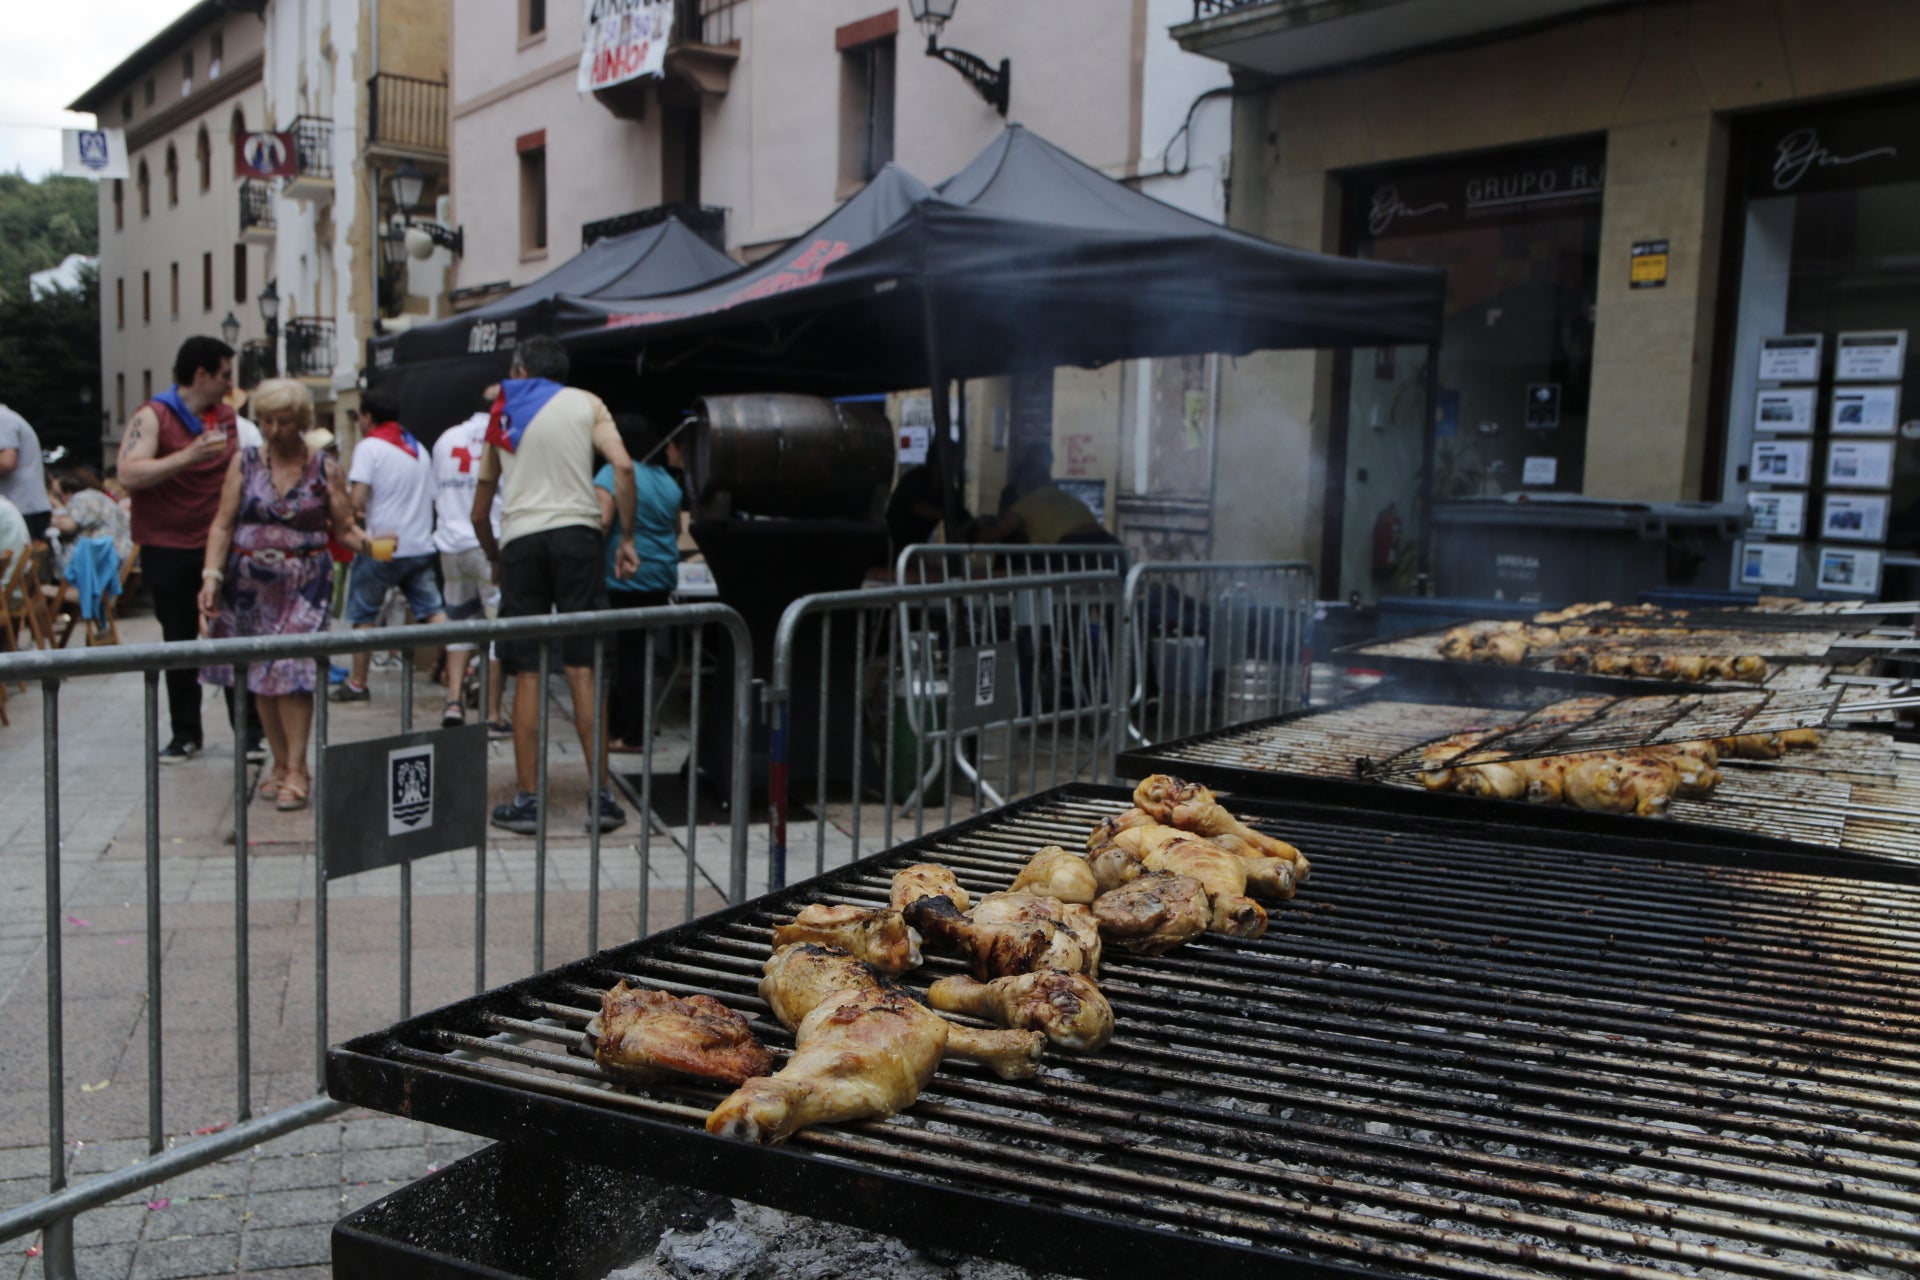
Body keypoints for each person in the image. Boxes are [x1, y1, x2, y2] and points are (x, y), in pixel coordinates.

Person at [471, 335, 639, 834]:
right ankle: (601, 798)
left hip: (521, 540)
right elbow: (623, 466)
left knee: (527, 670)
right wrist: (627, 538)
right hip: (578, 536)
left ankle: (527, 801)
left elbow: (480, 510)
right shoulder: (587, 402)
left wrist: (495, 556)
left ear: (521, 371)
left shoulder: (505, 411)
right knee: (583, 667)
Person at [197, 379, 366, 810]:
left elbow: (344, 527)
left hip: (305, 580)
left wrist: (373, 545)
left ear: (302, 422)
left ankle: (296, 767)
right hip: (249, 581)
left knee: (293, 670)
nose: (274, 430)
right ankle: (279, 762)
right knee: (261, 673)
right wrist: (211, 577)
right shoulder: (245, 462)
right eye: (267, 421)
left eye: (284, 422)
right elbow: (223, 523)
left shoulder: (324, 467)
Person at [117, 335, 265, 764]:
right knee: (179, 641)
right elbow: (128, 473)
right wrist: (187, 456)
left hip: (224, 546)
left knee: (235, 638)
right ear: (202, 374)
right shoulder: (154, 415)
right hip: (167, 547)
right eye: (224, 374)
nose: (229, 384)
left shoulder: (233, 422)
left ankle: (249, 733)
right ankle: (185, 734)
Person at [331, 385, 447, 703]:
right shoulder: (418, 449)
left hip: (381, 546)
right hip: (419, 545)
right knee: (434, 612)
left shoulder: (370, 448)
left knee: (364, 615)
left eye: (359, 417)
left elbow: (357, 501)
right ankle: (457, 671)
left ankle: (358, 683)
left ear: (368, 416)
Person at [597, 413, 685, 752]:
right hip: (661, 576)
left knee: (624, 658)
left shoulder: (612, 474)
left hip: (624, 577)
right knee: (639, 655)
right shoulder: (667, 481)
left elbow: (603, 521)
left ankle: (629, 734)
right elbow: (676, 529)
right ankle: (621, 730)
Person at [431, 403, 507, 730]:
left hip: (451, 545)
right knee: (496, 626)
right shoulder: (503, 438)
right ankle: (491, 714)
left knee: (458, 622)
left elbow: (435, 491)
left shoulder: (446, 439)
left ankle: (453, 702)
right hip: (489, 541)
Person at [977, 445, 1114, 546]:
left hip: (1074, 549)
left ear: (1023, 484)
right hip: (1109, 545)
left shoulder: (1027, 504)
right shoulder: (1061, 496)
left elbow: (992, 535)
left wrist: (971, 533)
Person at [48, 467, 134, 577]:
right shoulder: (97, 496)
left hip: (104, 562)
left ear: (68, 491)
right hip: (119, 556)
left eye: (60, 495)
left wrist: (48, 518)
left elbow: (69, 525)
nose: (62, 500)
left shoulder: (82, 498)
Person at [0, 403, 53, 544]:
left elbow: (6, 462)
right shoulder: (8, 417)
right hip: (26, 508)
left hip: (21, 508)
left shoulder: (1, 418)